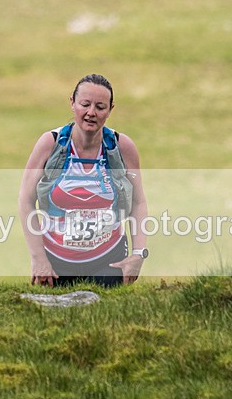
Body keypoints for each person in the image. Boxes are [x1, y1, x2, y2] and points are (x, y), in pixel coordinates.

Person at [19, 74, 148, 287]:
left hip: (110, 260)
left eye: (100, 107)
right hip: (55, 264)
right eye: (85, 104)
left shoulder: (121, 147)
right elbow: (25, 200)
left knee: (108, 318)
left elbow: (139, 202)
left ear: (110, 110)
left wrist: (138, 254)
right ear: (72, 103)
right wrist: (38, 258)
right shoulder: (50, 144)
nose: (91, 113)